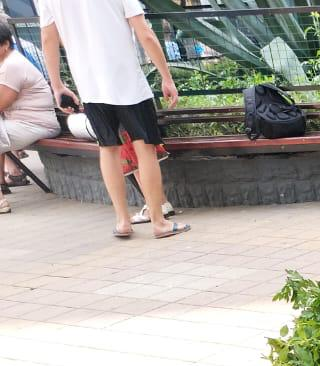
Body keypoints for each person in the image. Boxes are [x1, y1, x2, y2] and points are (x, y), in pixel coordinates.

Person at [39, 0, 190, 238]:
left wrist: (57, 86)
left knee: (108, 149)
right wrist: (166, 77)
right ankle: (158, 222)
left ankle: (122, 221)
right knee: (145, 148)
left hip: (90, 86)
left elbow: (48, 39)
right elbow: (145, 33)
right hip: (128, 83)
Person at [0, 18, 59, 211]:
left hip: (37, 124)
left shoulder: (12, 65)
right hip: (21, 122)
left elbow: (2, 102)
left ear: (5, 45)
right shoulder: (6, 62)